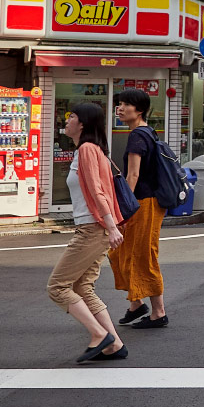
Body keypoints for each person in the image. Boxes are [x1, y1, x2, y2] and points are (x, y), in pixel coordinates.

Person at [47, 103, 128, 363]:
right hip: (98, 227)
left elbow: (97, 190)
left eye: (71, 116)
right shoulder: (94, 150)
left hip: (93, 228)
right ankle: (114, 344)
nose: (66, 120)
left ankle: (99, 335)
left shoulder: (86, 150)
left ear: (82, 124)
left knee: (57, 286)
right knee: (83, 286)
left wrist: (111, 226)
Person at [109, 88, 168, 330]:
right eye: (119, 104)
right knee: (122, 252)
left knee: (143, 255)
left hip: (143, 203)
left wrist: (123, 209)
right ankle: (136, 303)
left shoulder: (137, 136)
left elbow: (132, 175)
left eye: (125, 104)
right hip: (148, 202)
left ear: (139, 110)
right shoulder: (147, 133)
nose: (120, 108)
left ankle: (158, 312)